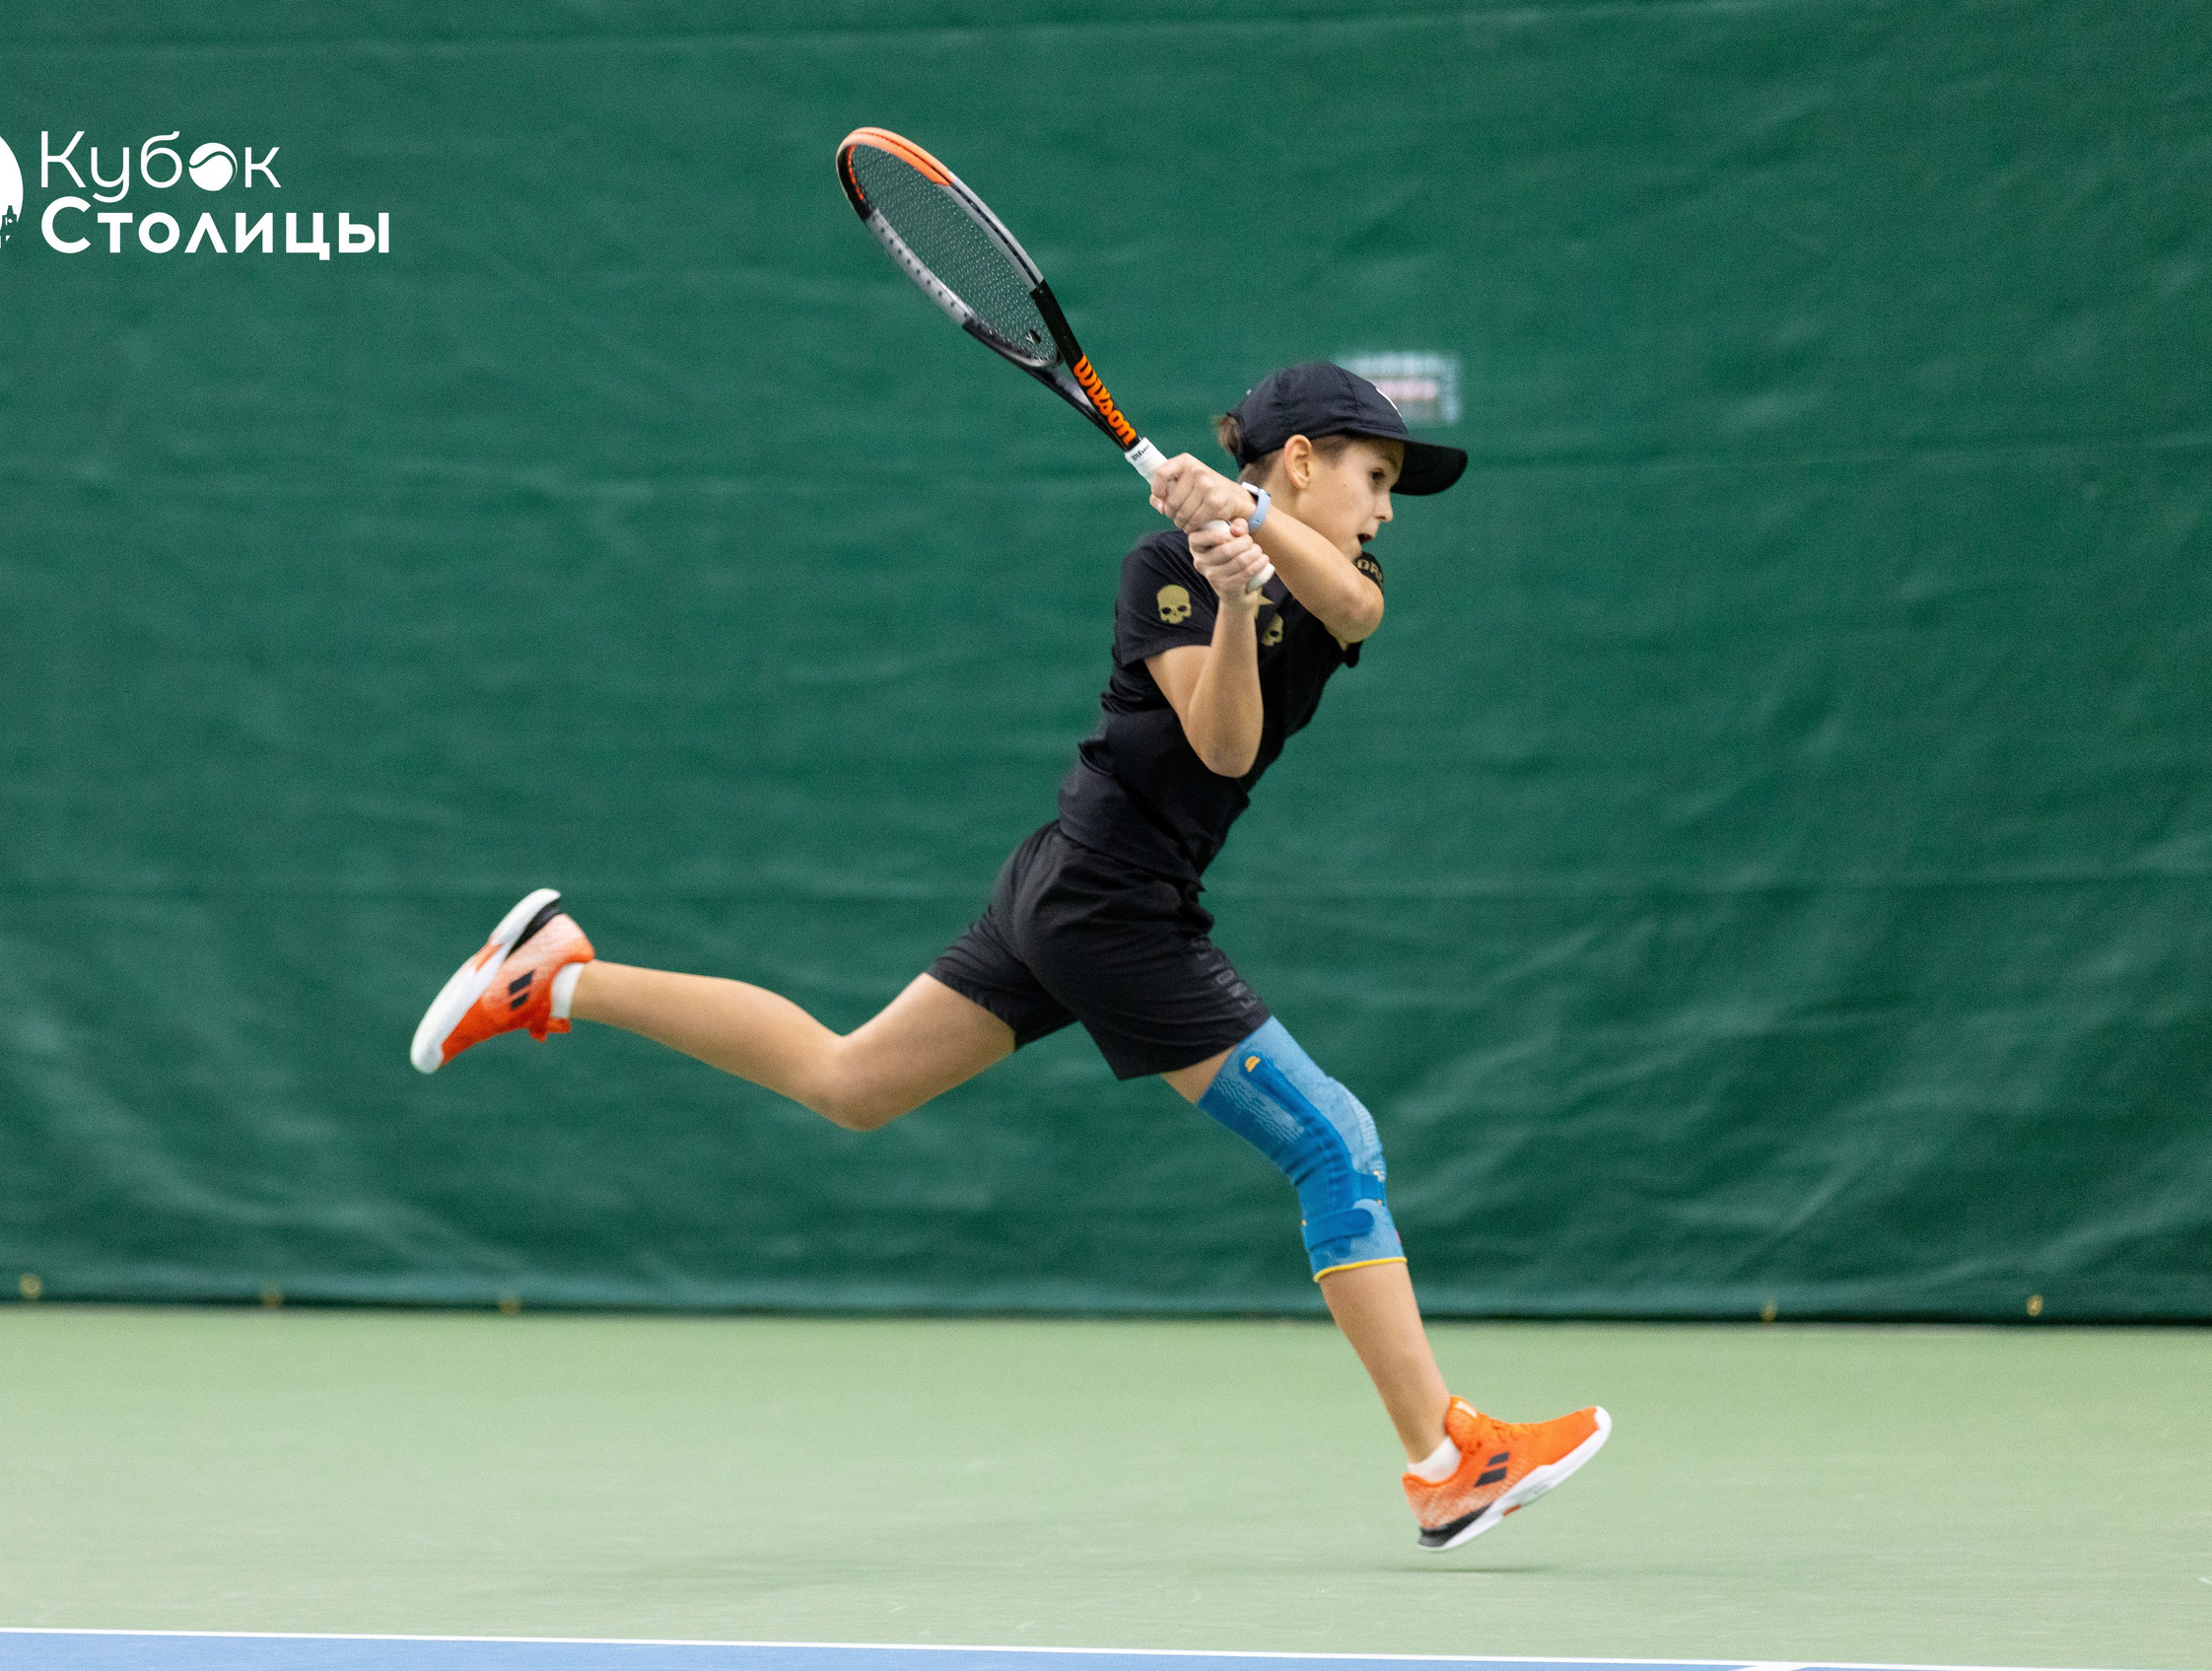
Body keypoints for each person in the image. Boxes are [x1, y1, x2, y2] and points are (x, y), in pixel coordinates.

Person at [410, 362, 1609, 1551]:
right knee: (1331, 1142)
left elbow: (1356, 609)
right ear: (1301, 458)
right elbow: (1223, 748)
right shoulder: (1163, 570)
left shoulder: (1327, 570)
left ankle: (556, 974)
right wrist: (1233, 600)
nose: (1386, 506)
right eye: (1375, 475)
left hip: (1078, 885)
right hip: (1104, 899)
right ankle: (1447, 1460)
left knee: (851, 1084)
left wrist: (1246, 539)